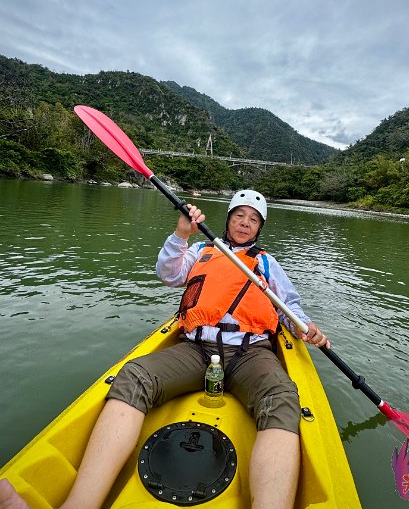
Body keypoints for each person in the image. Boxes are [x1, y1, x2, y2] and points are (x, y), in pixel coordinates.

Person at [0, 190, 329, 509]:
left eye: (253, 219)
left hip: (250, 354)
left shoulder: (267, 263)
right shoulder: (201, 250)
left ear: (259, 227)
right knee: (134, 376)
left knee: (281, 397)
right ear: (228, 219)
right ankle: (80, 503)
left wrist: (306, 328)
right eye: (239, 215)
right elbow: (168, 274)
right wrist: (181, 234)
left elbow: (289, 309)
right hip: (196, 348)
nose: (245, 222)